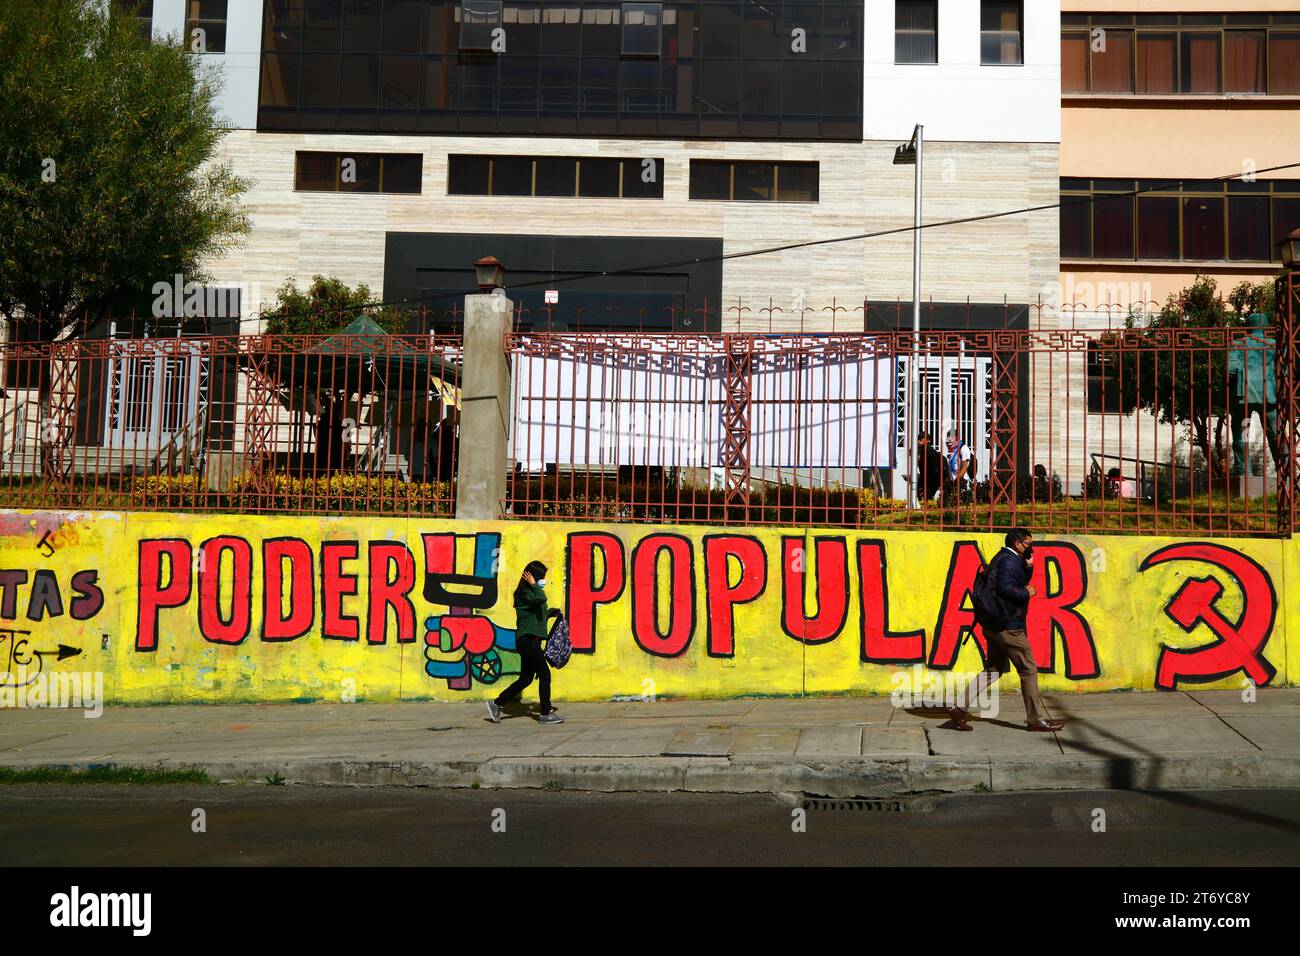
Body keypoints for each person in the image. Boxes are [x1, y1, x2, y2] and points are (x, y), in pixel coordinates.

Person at [947, 528, 1065, 733]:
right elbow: (1005, 588)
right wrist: (1026, 592)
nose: (1032, 548)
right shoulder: (1010, 561)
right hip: (1009, 627)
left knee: (993, 670)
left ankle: (957, 708)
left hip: (994, 625)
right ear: (1018, 543)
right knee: (1028, 669)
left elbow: (1011, 582)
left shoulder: (1003, 557)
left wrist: (1027, 568)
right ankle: (1036, 720)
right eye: (1029, 544)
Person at [486, 561, 565, 725]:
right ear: (532, 577)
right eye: (541, 578)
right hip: (527, 642)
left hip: (531, 642)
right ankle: (545, 714)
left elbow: (537, 613)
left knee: (526, 679)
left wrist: (551, 612)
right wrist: (534, 584)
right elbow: (541, 598)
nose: (543, 581)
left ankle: (496, 704)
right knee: (545, 675)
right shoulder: (525, 594)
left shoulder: (532, 594)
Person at [914, 431, 946, 502]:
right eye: (918, 439)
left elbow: (933, 470)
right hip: (925, 480)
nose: (918, 441)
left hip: (931, 482)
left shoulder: (930, 452)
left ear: (928, 440)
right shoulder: (922, 451)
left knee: (926, 500)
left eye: (920, 439)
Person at [944, 429, 974, 495]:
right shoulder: (952, 452)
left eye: (951, 439)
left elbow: (964, 467)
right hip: (954, 484)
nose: (949, 442)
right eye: (948, 439)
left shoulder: (963, 449)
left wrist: (956, 481)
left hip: (963, 484)